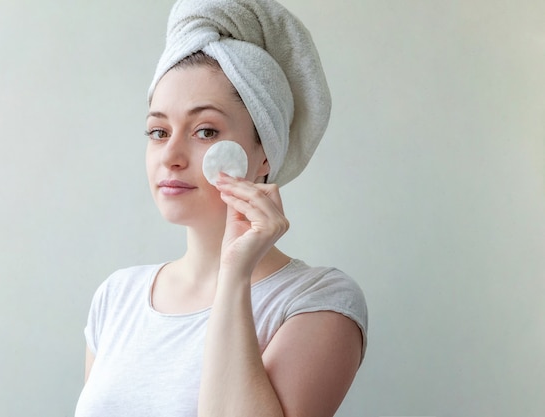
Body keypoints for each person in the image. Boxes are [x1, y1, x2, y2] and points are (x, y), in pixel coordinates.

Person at [74, 1, 367, 416]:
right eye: (158, 131)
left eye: (205, 131)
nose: (171, 155)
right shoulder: (116, 297)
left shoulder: (316, 301)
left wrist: (234, 276)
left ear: (264, 152)